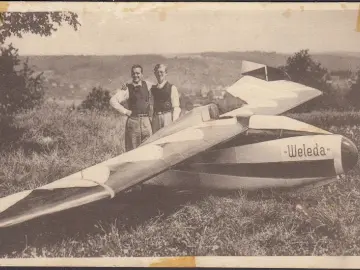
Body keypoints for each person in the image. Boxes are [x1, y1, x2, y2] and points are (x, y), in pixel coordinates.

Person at [110, 64, 153, 151]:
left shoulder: (148, 85)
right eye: (133, 73)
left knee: (148, 148)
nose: (135, 75)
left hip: (146, 122)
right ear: (131, 75)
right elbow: (112, 101)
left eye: (138, 73)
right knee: (133, 150)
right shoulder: (127, 88)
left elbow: (159, 88)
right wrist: (125, 111)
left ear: (142, 74)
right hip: (133, 122)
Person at [150, 64, 181, 133]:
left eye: (161, 72)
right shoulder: (153, 89)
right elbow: (151, 105)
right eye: (157, 72)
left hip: (167, 117)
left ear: (166, 73)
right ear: (155, 74)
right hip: (156, 118)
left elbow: (176, 107)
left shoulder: (172, 87)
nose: (159, 74)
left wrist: (174, 122)